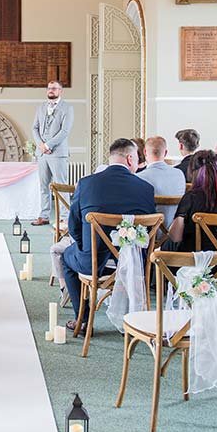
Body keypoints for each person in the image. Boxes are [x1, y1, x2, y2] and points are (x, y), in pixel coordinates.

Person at [59, 139, 156, 331]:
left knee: (65, 257)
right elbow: (147, 230)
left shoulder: (86, 184)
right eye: (137, 159)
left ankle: (83, 320)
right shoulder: (146, 188)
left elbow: (73, 226)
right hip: (135, 265)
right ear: (130, 159)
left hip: (93, 264)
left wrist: (82, 247)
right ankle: (134, 322)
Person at [31, 80, 74, 226]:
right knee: (43, 186)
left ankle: (64, 217)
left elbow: (65, 131)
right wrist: (41, 145)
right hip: (42, 153)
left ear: (60, 91)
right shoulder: (41, 107)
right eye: (49, 88)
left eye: (54, 88)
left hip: (58, 153)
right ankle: (44, 216)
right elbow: (34, 128)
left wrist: (49, 144)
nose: (51, 90)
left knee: (61, 185)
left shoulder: (67, 108)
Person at [137, 136, 186, 228]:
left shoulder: (139, 178)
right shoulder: (179, 174)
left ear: (145, 152)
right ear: (166, 153)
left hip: (149, 233)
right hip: (175, 233)